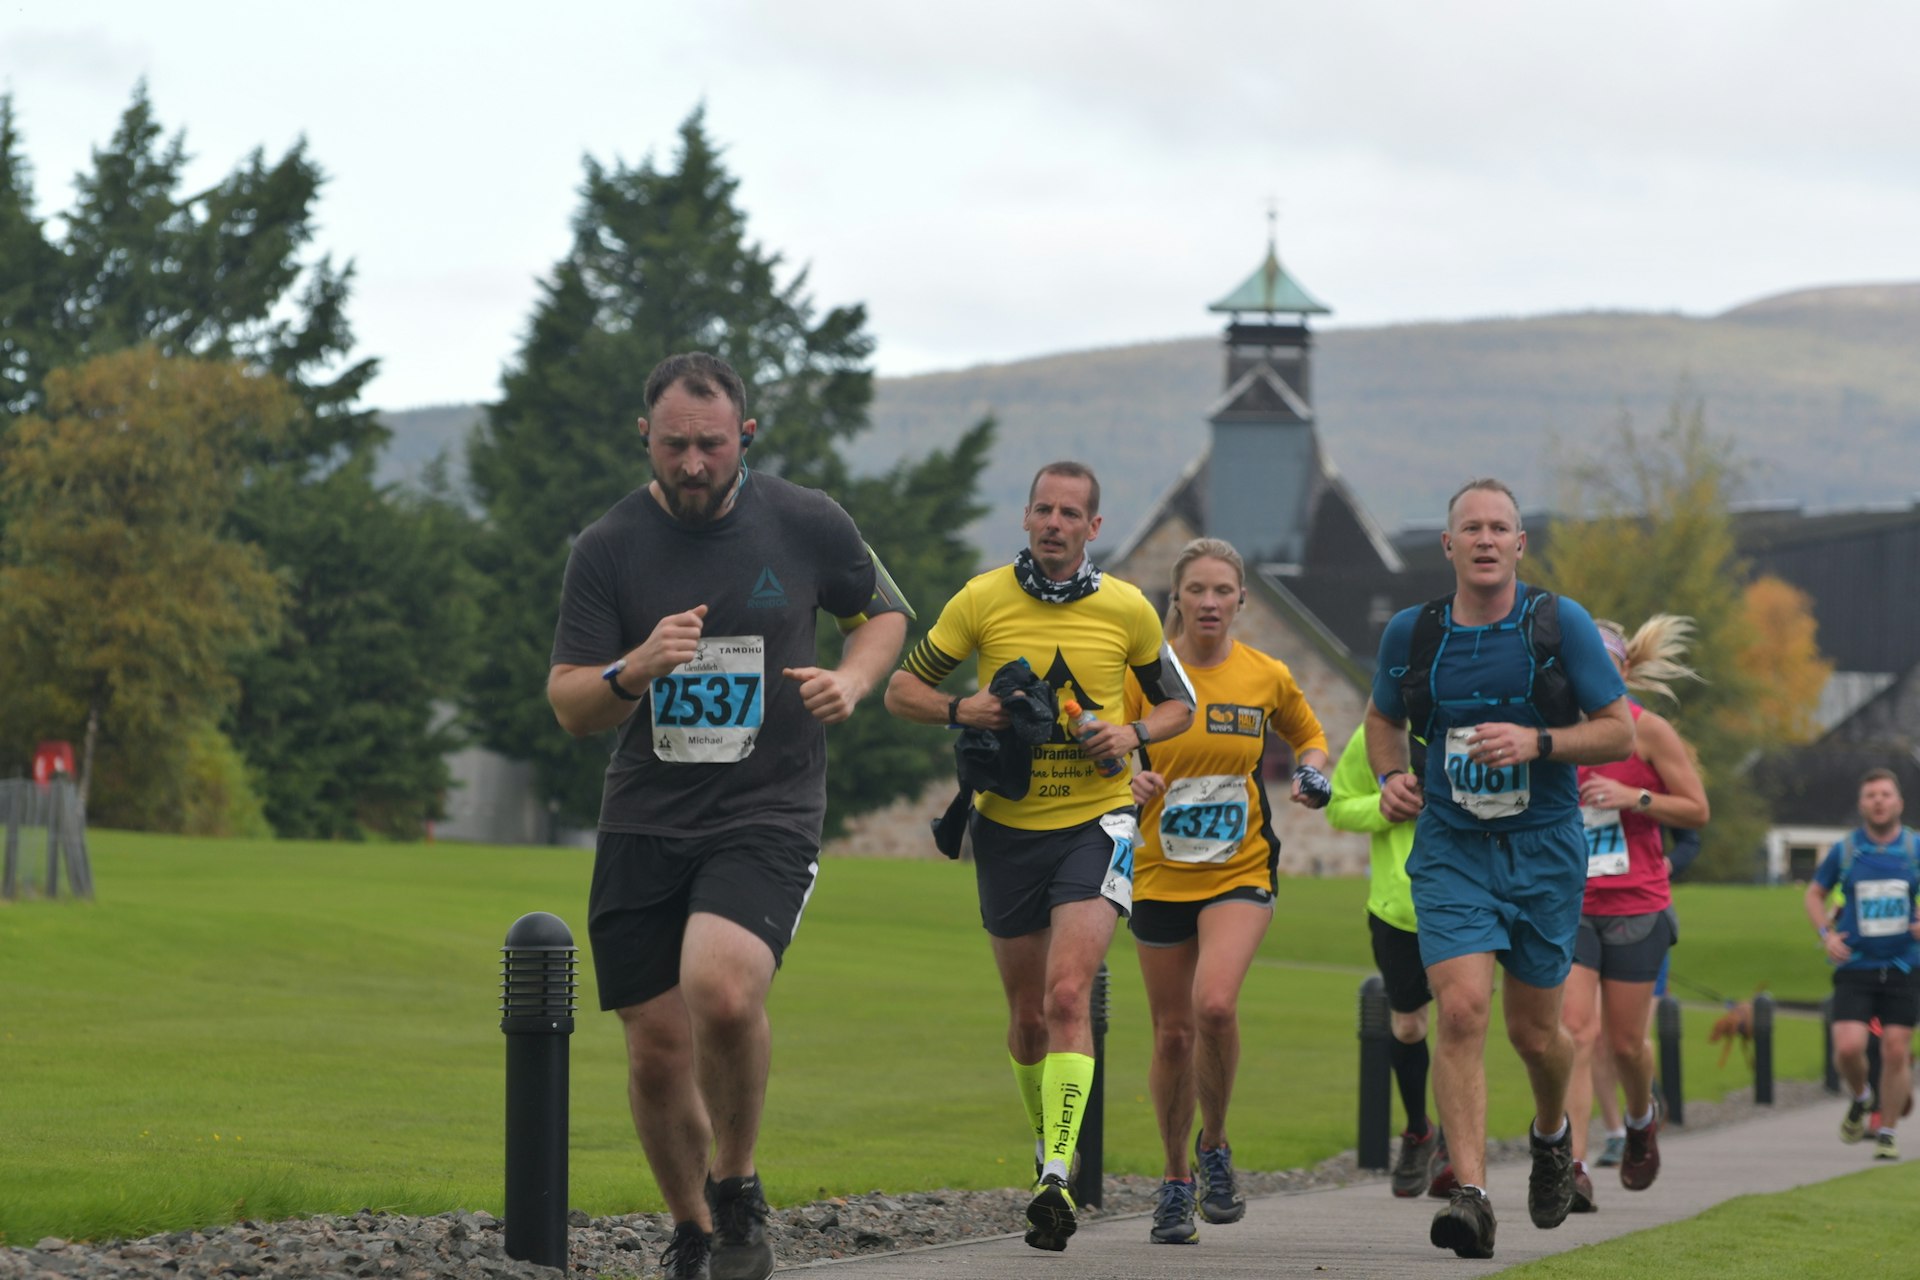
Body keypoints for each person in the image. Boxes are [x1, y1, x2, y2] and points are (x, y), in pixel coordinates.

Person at [547, 352, 911, 1280]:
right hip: (645, 818)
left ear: (744, 434)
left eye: (712, 444)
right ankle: (694, 1228)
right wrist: (636, 668)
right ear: (647, 439)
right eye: (676, 446)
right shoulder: (608, 546)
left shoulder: (804, 519)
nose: (695, 463)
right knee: (658, 1048)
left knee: (722, 987)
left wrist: (853, 680)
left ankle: (738, 1183)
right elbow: (570, 703)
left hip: (767, 807)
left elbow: (883, 615)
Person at [884, 461, 1196, 1252]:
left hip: (1098, 821)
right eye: (1043, 510)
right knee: (1026, 1018)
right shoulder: (982, 599)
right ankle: (1046, 1148)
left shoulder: (1127, 608)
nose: (1055, 524)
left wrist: (1128, 734)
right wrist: (966, 706)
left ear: (1094, 529)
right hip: (1006, 829)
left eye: (1071, 514)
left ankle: (1055, 1174)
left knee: (1067, 994)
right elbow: (898, 690)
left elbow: (1178, 703)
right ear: (1026, 518)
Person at [1364, 478, 1633, 1260]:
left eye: (1500, 528)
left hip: (1545, 850)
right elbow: (1383, 718)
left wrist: (1538, 743)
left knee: (1535, 1032)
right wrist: (1391, 777)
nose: (1486, 540)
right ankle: (1472, 1194)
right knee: (1464, 1010)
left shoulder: (1559, 624)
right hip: (1451, 847)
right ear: (1448, 546)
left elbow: (1617, 731)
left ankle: (1552, 1136)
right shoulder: (1415, 634)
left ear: (1520, 545)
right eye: (1471, 528)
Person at [1122, 537, 1332, 1244]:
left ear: (1241, 600)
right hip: (1157, 871)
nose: (1210, 603)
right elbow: (1099, 747)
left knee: (1213, 1005)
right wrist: (1128, 777)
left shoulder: (1264, 675)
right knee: (1172, 1033)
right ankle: (1177, 1179)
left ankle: (1216, 1147)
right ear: (1174, 598)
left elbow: (1310, 736)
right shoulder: (1143, 675)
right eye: (1197, 590)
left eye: (1223, 591)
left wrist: (1311, 773)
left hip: (1239, 868)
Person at [1559, 616, 1709, 1211]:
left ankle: (1642, 1120)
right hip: (1571, 906)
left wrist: (1633, 798)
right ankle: (1568, 1167)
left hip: (1638, 903)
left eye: (1604, 662)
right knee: (1573, 1035)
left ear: (1623, 669)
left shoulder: (1650, 733)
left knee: (1625, 1045)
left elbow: (1696, 810)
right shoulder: (1555, 734)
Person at [1327, 719, 1452, 1199]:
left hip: (1465, 903)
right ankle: (1420, 1129)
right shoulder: (1376, 736)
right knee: (1408, 1028)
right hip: (1398, 909)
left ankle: (1456, 1150)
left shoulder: (1474, 720)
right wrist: (1384, 806)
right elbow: (1338, 808)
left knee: (1462, 1021)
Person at [1803, 769, 1920, 1161]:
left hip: (1904, 964)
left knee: (1895, 1050)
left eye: (1886, 794)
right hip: (1856, 964)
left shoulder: (1914, 849)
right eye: (1871, 795)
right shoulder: (1846, 850)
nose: (1879, 801)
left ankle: (1887, 1130)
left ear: (1899, 802)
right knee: (1849, 1048)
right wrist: (1826, 935)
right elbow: (1815, 894)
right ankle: (1861, 1096)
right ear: (1861, 804)